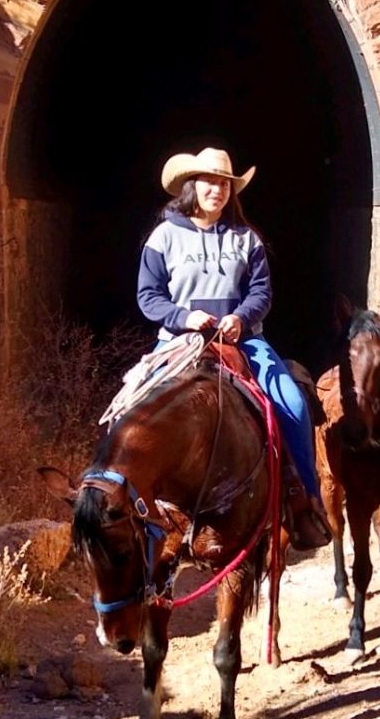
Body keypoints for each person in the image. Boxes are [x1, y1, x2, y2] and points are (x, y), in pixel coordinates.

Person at [136, 147, 330, 550]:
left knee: (292, 403)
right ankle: (126, 507)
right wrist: (183, 317)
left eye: (224, 183)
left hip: (242, 340)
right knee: (132, 411)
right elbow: (148, 296)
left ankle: (305, 505)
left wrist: (241, 317)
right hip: (180, 342)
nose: (217, 190)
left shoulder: (247, 238)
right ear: (192, 186)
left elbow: (261, 291)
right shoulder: (164, 236)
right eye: (209, 181)